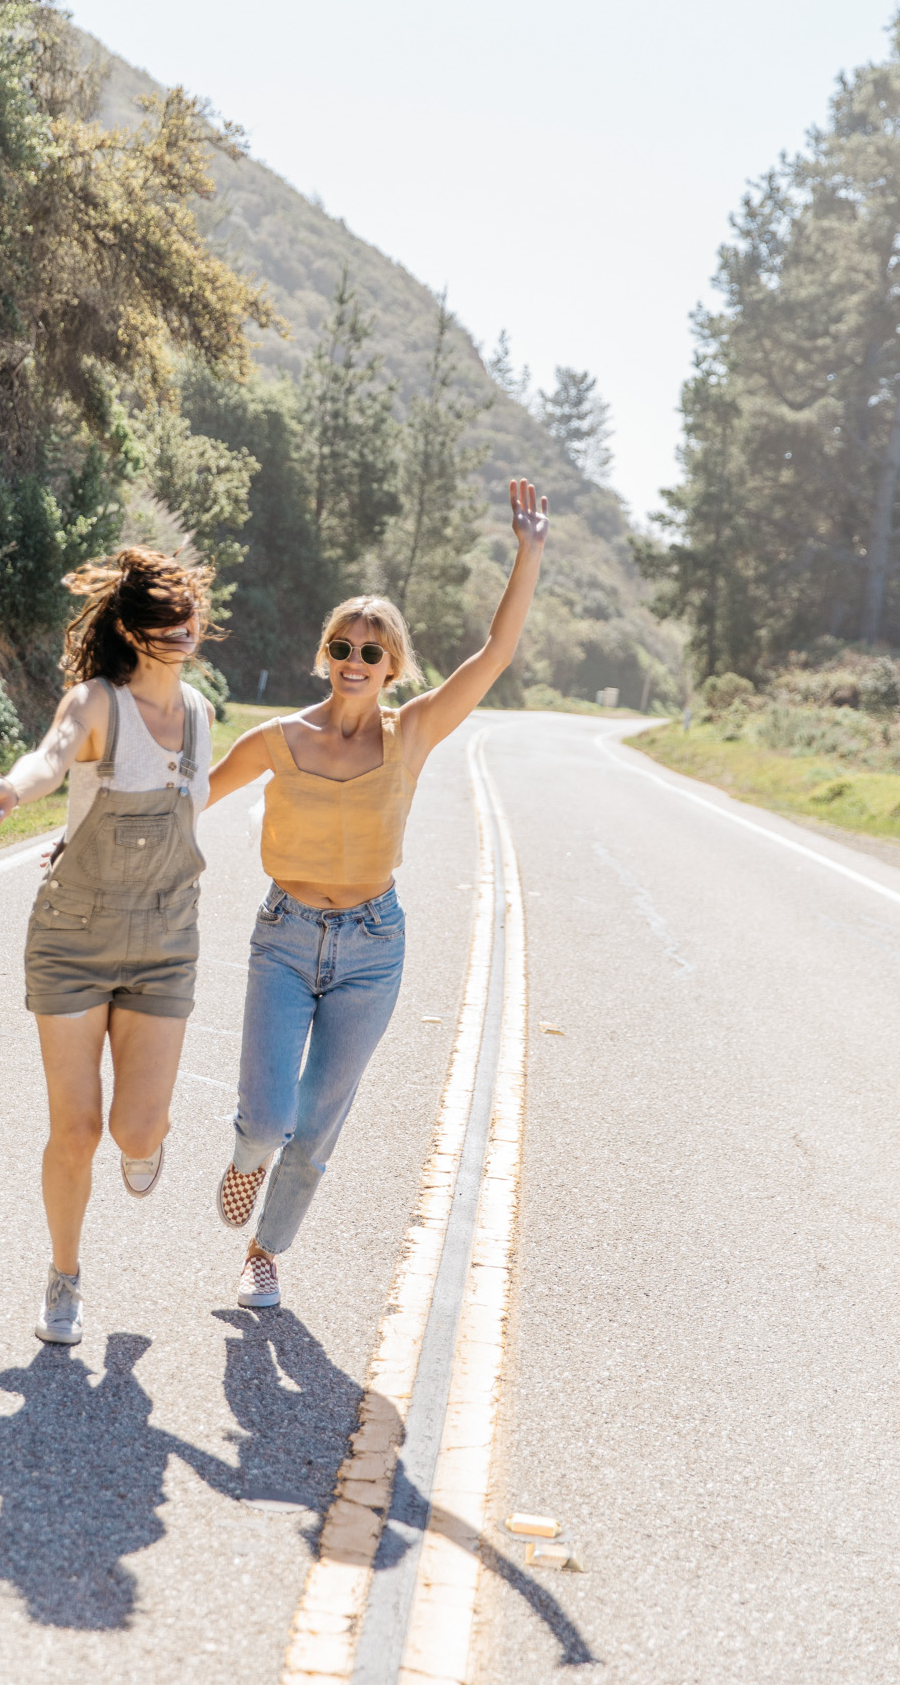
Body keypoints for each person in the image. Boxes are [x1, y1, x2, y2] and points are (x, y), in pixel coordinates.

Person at [204, 478, 548, 1309]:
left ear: (392, 666)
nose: (353, 662)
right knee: (267, 1120)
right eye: (341, 647)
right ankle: (247, 1155)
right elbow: (190, 797)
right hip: (285, 936)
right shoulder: (278, 739)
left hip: (372, 946)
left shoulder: (413, 732)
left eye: (370, 652)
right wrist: (91, 837)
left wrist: (528, 552)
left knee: (318, 1122)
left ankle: (264, 1253)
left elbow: (494, 655)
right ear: (323, 655)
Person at [0, 548, 217, 1346]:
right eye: (163, 618)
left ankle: (146, 1141)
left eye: (186, 613)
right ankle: (64, 1276)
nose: (181, 628)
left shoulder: (201, 714)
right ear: (131, 631)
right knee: (76, 1131)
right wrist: (11, 787)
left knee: (138, 1132)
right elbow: (50, 757)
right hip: (73, 939)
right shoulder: (97, 701)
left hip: (165, 940)